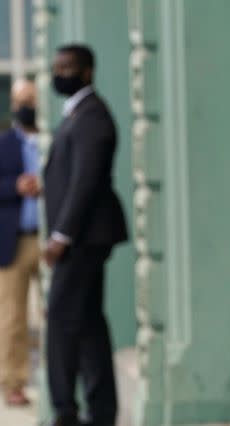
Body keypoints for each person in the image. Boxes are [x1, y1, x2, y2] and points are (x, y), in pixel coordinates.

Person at [43, 44, 128, 426]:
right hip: (83, 238)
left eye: (68, 67)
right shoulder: (77, 113)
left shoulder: (92, 114)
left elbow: (86, 182)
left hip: (82, 239)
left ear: (87, 72)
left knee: (61, 318)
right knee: (89, 322)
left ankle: (65, 412)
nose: (60, 73)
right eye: (57, 67)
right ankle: (101, 411)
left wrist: (61, 235)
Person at [0, 79, 41, 407]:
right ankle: (14, 382)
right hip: (15, 241)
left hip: (52, 238)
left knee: (58, 312)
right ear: (13, 104)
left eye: (32, 98)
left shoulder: (52, 140)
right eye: (21, 100)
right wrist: (15, 185)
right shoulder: (4, 144)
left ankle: (61, 380)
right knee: (12, 316)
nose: (27, 104)